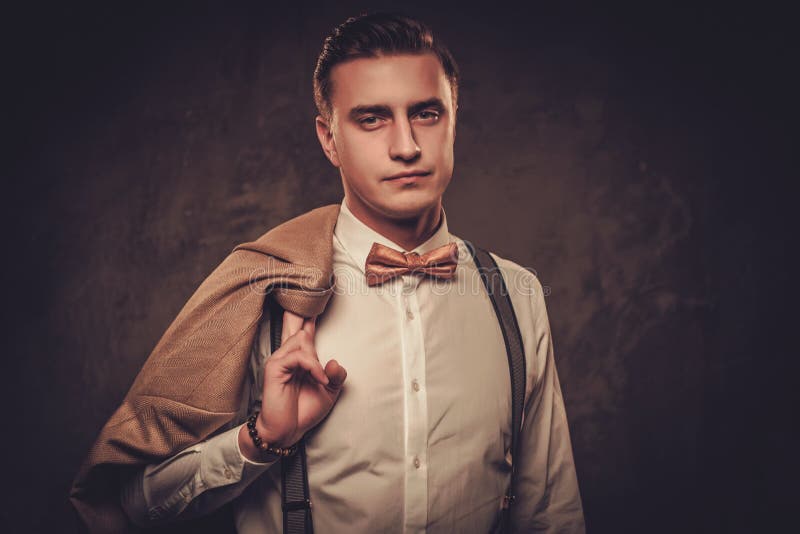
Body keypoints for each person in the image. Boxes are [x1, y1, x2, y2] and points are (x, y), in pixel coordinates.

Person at [78, 12, 585, 533]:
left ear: (454, 119)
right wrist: (260, 438)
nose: (406, 146)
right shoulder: (268, 289)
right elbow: (135, 502)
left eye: (427, 113)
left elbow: (551, 513)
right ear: (329, 139)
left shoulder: (516, 294)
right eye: (372, 119)